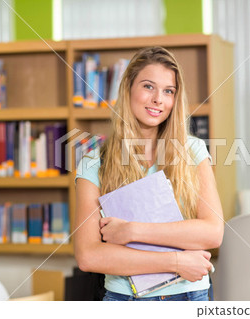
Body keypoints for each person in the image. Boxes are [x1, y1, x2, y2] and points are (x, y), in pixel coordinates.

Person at [74, 46, 224, 301]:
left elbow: (212, 233)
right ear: (128, 89)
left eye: (168, 91)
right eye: (148, 86)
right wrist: (176, 261)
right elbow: (88, 256)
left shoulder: (193, 150)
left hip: (188, 297)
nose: (158, 99)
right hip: (125, 299)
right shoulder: (94, 162)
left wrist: (132, 231)